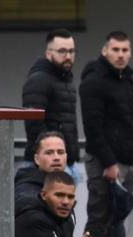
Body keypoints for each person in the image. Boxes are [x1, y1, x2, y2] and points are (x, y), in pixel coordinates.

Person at [79, 31, 133, 237]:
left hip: (127, 161)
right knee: (97, 220)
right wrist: (109, 162)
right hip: (105, 162)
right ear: (105, 51)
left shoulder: (127, 81)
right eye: (116, 49)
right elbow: (93, 127)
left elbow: (131, 123)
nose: (121, 55)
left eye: (125, 50)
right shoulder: (94, 81)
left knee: (115, 223)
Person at [22, 29, 79, 167]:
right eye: (62, 51)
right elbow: (33, 124)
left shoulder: (65, 80)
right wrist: (51, 157)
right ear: (48, 54)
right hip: (46, 164)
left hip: (66, 161)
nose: (68, 56)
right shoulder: (39, 80)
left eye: (71, 51)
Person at [14, 131, 67, 210]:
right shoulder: (28, 196)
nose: (56, 157)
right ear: (37, 159)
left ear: (66, 156)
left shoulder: (62, 186)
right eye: (49, 153)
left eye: (60, 152)